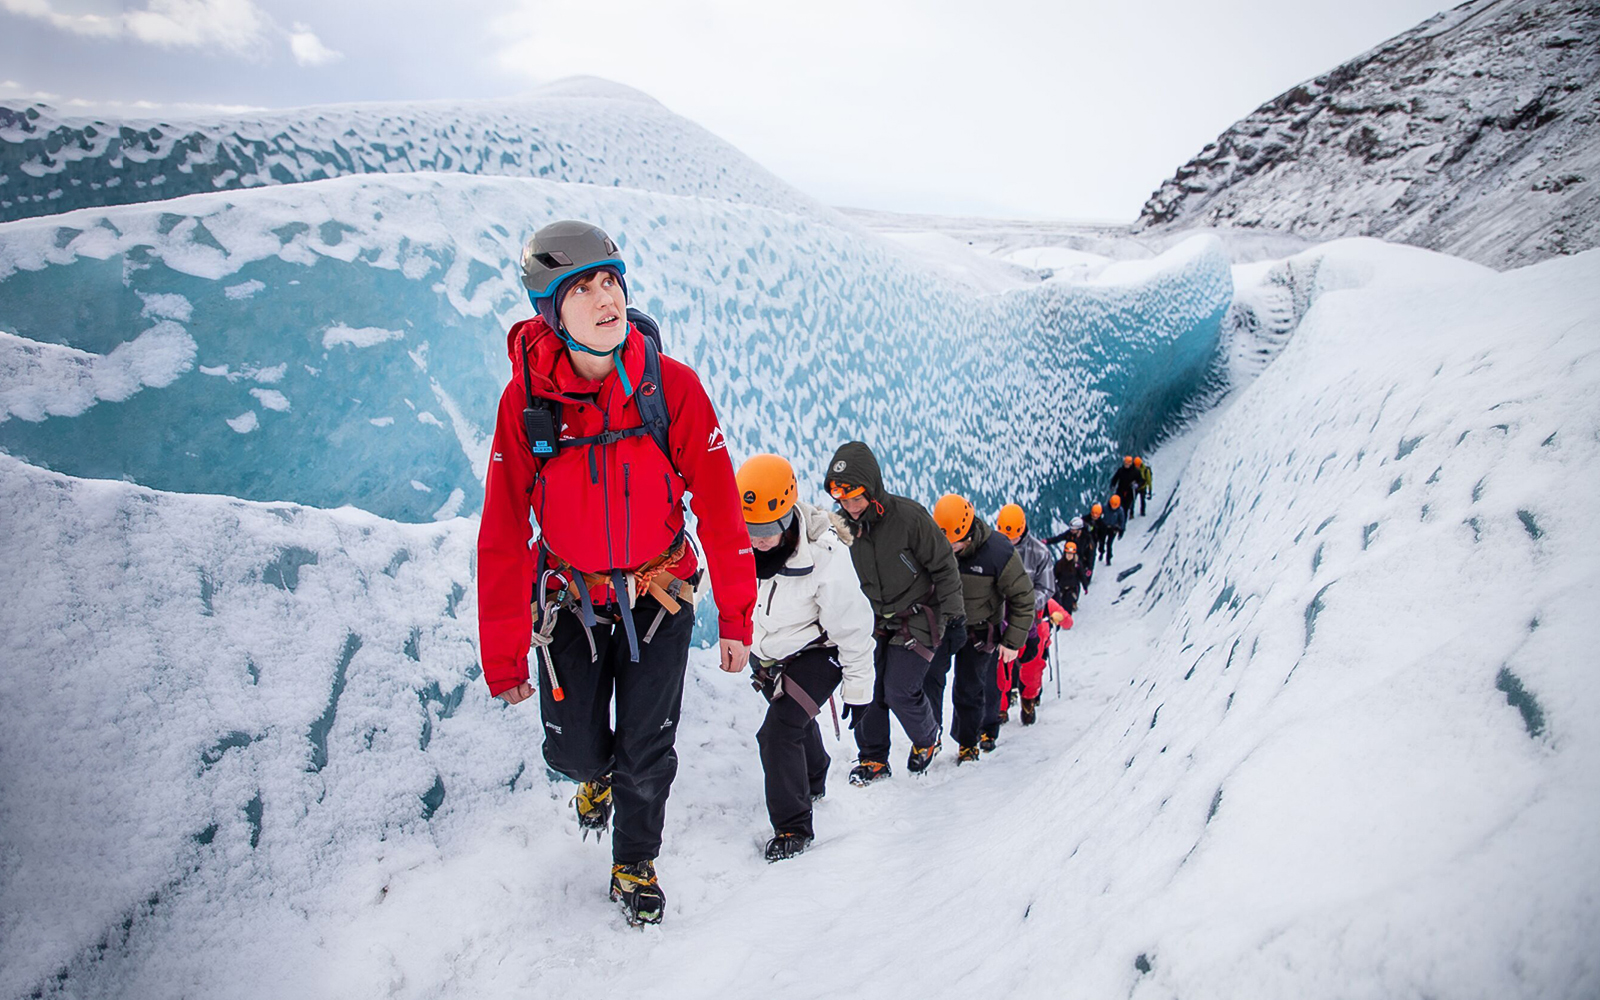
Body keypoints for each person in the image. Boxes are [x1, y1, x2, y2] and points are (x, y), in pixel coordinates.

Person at [477, 220, 755, 926]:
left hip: (661, 596)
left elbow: (721, 508)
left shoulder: (673, 388)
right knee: (571, 747)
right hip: (570, 598)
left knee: (646, 746)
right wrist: (503, 649)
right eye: (583, 287)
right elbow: (504, 533)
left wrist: (737, 617)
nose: (606, 299)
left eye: (611, 281)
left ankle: (635, 862)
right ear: (550, 310)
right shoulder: (526, 406)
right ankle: (589, 777)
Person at [738, 454, 875, 862]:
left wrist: (859, 690)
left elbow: (852, 628)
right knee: (793, 719)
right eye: (750, 528)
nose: (757, 539)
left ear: (787, 516)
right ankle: (814, 777)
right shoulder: (740, 543)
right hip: (768, 654)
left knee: (778, 733)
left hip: (818, 653)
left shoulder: (825, 557)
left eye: (766, 529)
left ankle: (793, 827)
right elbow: (719, 578)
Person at [824, 442, 964, 783]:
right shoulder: (840, 526)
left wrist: (956, 616)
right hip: (871, 616)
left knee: (900, 689)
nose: (851, 507)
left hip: (918, 613)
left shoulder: (908, 517)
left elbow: (944, 565)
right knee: (866, 682)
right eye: (843, 499)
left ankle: (926, 738)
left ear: (872, 489)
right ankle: (873, 757)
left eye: (857, 498)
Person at [932, 495, 1033, 761]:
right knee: (930, 681)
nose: (946, 549)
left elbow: (1023, 596)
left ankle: (968, 743)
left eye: (951, 544)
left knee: (970, 688)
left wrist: (1012, 642)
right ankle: (929, 738)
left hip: (979, 630)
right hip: (943, 626)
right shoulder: (936, 543)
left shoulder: (998, 552)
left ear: (965, 535)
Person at [996, 504, 1064, 725]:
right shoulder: (994, 548)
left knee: (1032, 666)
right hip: (1001, 617)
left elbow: (1046, 588)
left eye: (1013, 538)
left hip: (1031, 619)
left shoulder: (1038, 552)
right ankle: (1001, 707)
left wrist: (1023, 605)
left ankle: (1028, 699)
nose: (1010, 542)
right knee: (1001, 667)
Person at [1102, 494, 1128, 565]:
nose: (1113, 507)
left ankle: (1108, 558)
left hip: (1113, 529)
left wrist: (1121, 530)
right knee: (1102, 542)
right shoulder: (1105, 508)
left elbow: (1122, 521)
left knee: (1109, 544)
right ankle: (1101, 552)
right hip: (1105, 527)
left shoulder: (1120, 511)